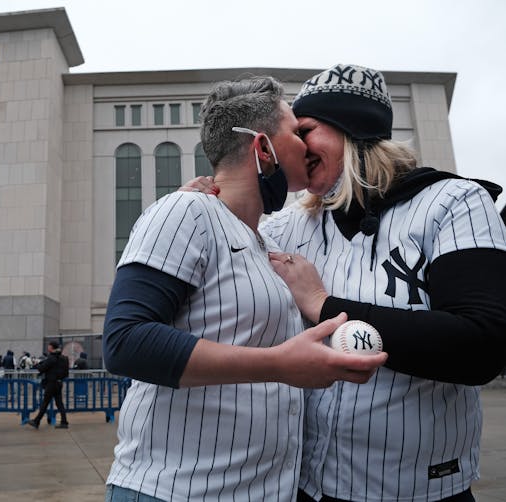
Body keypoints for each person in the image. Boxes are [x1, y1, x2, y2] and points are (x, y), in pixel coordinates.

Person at [185, 64, 506, 502]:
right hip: (306, 488)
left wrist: (322, 304)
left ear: (350, 129)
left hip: (421, 491)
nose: (294, 145)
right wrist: (207, 199)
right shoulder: (288, 226)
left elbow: (482, 346)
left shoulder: (453, 203)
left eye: (306, 130)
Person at [103, 75, 387, 502]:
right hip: (176, 490)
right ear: (263, 148)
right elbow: (126, 341)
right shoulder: (186, 210)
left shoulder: (266, 241)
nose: (307, 146)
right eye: (295, 133)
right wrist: (277, 364)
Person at [27, 340, 70, 429]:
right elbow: (66, 373)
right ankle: (64, 422)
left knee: (45, 402)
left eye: (49, 346)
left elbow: (41, 369)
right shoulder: (64, 358)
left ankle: (36, 421)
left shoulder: (51, 358)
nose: (48, 348)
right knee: (59, 403)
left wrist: (36, 364)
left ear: (51, 348)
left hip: (51, 384)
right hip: (59, 383)